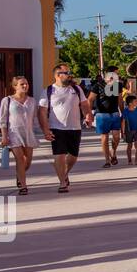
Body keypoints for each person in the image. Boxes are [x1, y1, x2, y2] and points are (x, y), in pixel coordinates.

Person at [37, 63, 92, 193]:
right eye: (67, 73)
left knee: (73, 157)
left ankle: (64, 173)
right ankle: (62, 182)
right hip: (56, 128)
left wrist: (88, 115)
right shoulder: (48, 91)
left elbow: (84, 104)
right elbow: (42, 112)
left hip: (75, 128)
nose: (70, 75)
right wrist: (45, 130)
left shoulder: (77, 89)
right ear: (57, 75)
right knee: (59, 156)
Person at [0, 76, 39, 194]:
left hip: (28, 133)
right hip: (13, 133)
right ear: (15, 86)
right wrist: (4, 136)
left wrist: (42, 131)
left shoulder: (32, 101)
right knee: (20, 159)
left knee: (28, 161)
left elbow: (35, 118)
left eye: (26, 84)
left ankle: (19, 175)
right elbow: (3, 120)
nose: (25, 86)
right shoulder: (7, 100)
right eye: (22, 84)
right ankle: (23, 186)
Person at [92, 72, 124, 167]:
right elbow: (90, 99)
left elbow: (120, 100)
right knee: (104, 137)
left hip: (114, 113)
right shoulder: (97, 86)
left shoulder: (117, 86)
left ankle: (113, 152)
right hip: (102, 114)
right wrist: (89, 114)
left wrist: (123, 112)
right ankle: (107, 160)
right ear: (105, 79)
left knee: (116, 137)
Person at [121, 94, 137, 165]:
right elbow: (123, 122)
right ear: (130, 103)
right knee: (129, 146)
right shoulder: (125, 111)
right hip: (128, 131)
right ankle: (129, 160)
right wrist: (123, 133)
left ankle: (136, 160)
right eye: (135, 101)